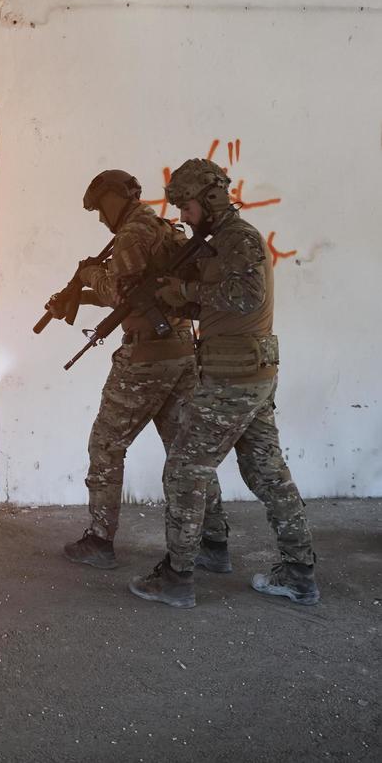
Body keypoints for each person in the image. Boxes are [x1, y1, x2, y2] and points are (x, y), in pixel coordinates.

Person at [129, 158, 318, 609]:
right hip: (246, 375)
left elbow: (245, 297)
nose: (183, 216)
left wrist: (186, 293)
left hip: (233, 380)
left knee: (185, 471)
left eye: (188, 207)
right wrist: (177, 296)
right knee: (266, 472)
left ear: (211, 198)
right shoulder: (218, 243)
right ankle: (299, 574)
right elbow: (219, 306)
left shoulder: (240, 239)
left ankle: (177, 578)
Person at [61, 170, 231, 571]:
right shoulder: (161, 227)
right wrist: (80, 297)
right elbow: (139, 294)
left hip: (145, 360)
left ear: (114, 199)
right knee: (187, 451)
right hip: (181, 353)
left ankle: (100, 541)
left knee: (106, 445)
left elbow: (119, 290)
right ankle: (213, 541)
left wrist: (89, 275)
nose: (102, 219)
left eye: (102, 208)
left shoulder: (131, 235)